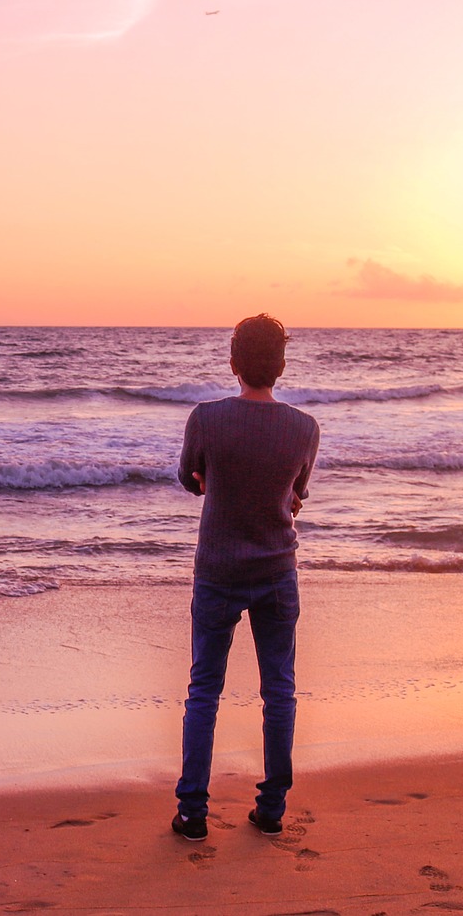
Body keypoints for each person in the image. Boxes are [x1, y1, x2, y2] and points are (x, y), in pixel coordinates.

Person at [170, 314, 320, 843]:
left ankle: (192, 813)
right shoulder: (304, 427)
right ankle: (273, 807)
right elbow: (297, 493)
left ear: (234, 362)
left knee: (204, 690)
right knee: (278, 689)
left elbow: (190, 479)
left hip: (217, 569)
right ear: (280, 364)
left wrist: (218, 481)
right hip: (278, 568)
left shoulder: (206, 419)